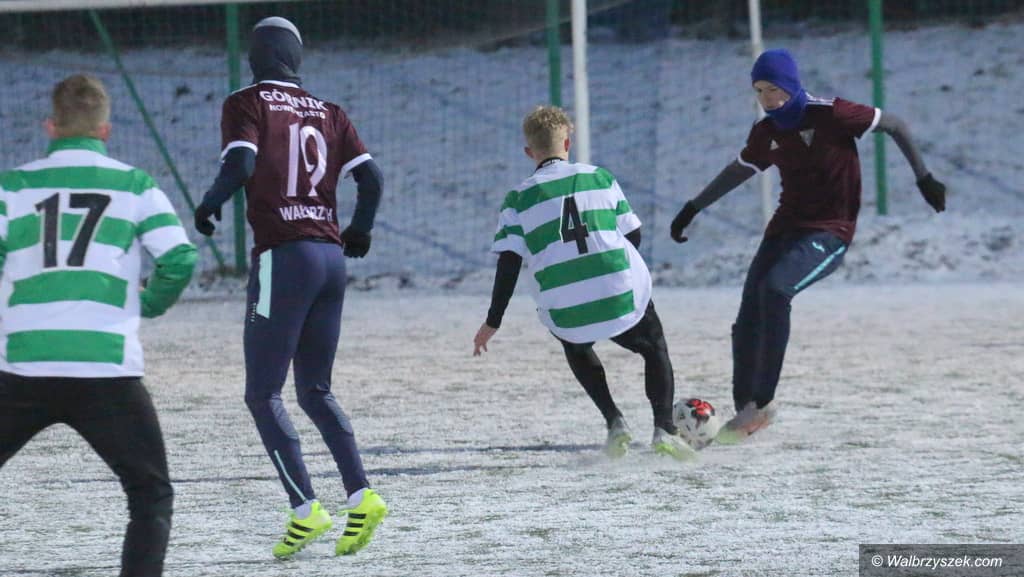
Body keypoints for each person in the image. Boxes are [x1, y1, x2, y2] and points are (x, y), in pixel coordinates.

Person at [669, 49, 946, 444]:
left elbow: (895, 125)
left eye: (773, 89)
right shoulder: (766, 131)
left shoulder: (832, 114)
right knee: (747, 319)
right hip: (784, 229)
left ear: (790, 85)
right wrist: (693, 208)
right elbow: (739, 170)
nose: (766, 98)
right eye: (759, 91)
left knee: (775, 291)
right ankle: (747, 408)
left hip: (830, 232)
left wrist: (924, 177)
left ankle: (762, 403)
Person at [192, 17, 387, 558]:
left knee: (263, 393)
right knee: (315, 390)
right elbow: (371, 179)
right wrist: (360, 228)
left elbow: (242, 162)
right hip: (330, 259)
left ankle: (305, 509)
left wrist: (209, 202)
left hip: (284, 257)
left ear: (255, 57)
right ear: (297, 59)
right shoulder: (330, 111)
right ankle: (362, 496)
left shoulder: (246, 102)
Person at [0, 74, 197, 577]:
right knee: (149, 493)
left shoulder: (13, 186)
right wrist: (149, 302)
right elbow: (179, 257)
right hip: (106, 370)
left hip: (23, 367)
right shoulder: (134, 185)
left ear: (51, 125)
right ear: (105, 131)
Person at [473, 105, 697, 461]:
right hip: (618, 292)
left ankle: (615, 422)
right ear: (567, 142)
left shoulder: (517, 199)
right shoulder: (599, 177)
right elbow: (633, 235)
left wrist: (493, 321)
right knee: (654, 347)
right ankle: (664, 429)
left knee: (576, 344)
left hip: (567, 305)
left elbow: (509, 262)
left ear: (530, 152)